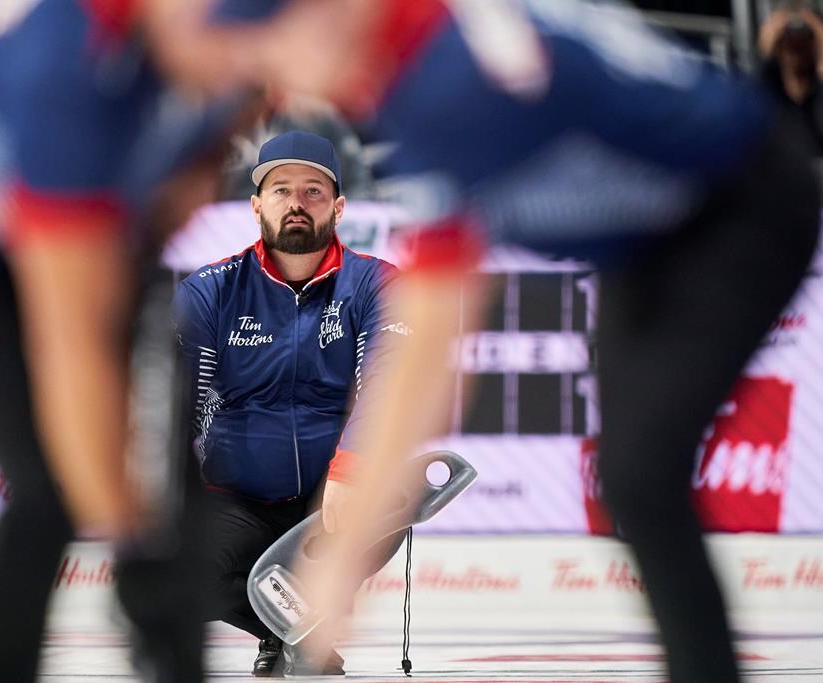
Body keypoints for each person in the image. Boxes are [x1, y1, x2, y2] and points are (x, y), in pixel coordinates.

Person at [199, 3, 819, 683]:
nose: (278, 91)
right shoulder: (430, 50)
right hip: (652, 230)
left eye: (271, 58)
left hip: (742, 202)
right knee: (633, 477)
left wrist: (341, 563)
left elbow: (429, 352)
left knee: (641, 473)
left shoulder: (445, 88)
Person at [0, 0, 363, 680]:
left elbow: (190, 169)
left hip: (68, 185)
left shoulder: (238, 54)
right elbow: (74, 342)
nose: (233, 74)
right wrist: (133, 544)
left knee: (169, 452)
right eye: (225, 56)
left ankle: (173, 656)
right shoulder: (63, 68)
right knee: (52, 479)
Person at [173, 130, 403, 677]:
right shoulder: (211, 290)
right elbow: (181, 395)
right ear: (256, 205)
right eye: (280, 190)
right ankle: (294, 629)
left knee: (386, 505)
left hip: (336, 501)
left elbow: (390, 379)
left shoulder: (374, 282)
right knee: (181, 568)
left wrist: (353, 468)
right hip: (238, 499)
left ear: (339, 206)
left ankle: (293, 625)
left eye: (312, 191)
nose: (296, 203)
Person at [758, 3, 823, 153]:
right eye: (788, 39)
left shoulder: (818, 92)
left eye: (805, 39)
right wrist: (766, 57)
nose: (796, 46)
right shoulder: (768, 90)